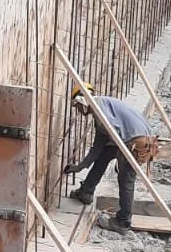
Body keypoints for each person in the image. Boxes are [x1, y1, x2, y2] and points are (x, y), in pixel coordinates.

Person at [65, 86, 158, 230]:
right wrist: (80, 166)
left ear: (82, 101)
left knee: (126, 180)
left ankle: (123, 222)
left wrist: (124, 159)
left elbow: (111, 132)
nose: (77, 110)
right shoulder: (102, 106)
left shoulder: (101, 113)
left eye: (76, 106)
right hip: (137, 138)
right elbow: (98, 147)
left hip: (136, 143)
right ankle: (86, 191)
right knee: (104, 155)